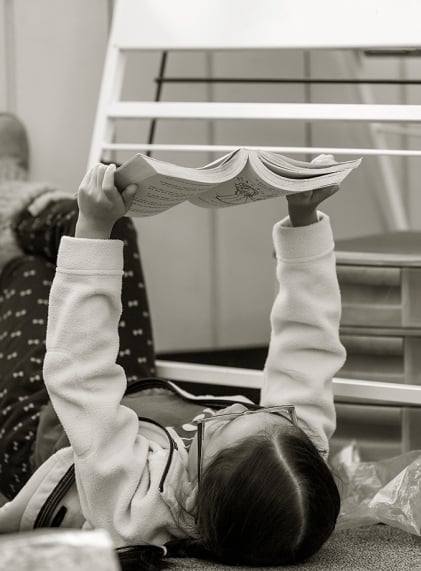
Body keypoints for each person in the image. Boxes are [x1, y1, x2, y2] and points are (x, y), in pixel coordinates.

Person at [0, 113, 346, 569]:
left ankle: (14, 194)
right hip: (132, 402)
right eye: (262, 413)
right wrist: (305, 221)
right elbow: (309, 345)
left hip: (42, 434)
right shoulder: (292, 454)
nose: (238, 409)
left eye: (220, 426)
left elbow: (79, 373)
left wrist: (89, 231)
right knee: (112, 227)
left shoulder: (129, 509)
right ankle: (21, 208)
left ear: (190, 490)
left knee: (32, 271)